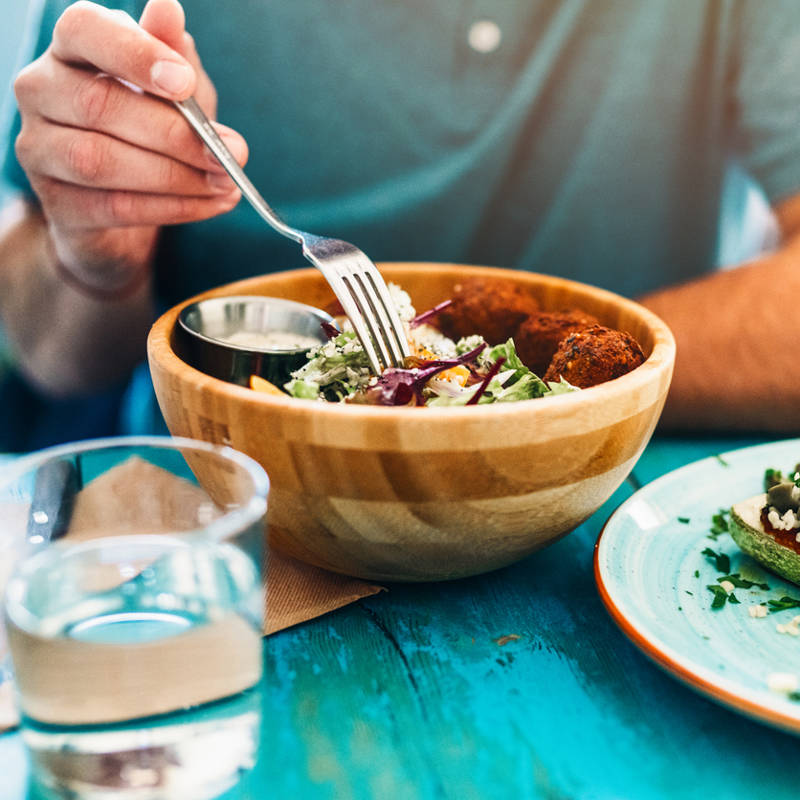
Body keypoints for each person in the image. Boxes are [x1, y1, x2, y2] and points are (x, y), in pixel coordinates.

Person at [1, 0, 799, 449]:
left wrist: (567, 396)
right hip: (220, 503)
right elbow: (51, 356)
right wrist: (95, 256)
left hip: (607, 496)